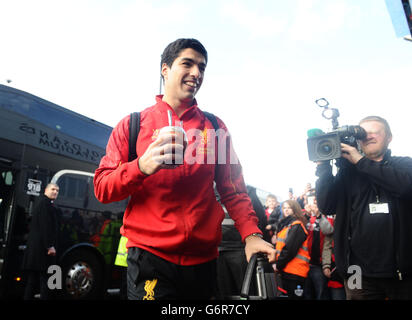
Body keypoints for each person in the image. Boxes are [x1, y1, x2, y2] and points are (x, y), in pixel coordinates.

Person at [94, 38, 276, 300]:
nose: (196, 73)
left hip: (203, 263)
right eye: (187, 64)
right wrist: (141, 166)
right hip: (149, 259)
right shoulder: (133, 124)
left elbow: (233, 190)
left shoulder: (215, 127)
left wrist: (252, 235)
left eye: (202, 67)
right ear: (165, 69)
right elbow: (102, 188)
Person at [315, 115, 412, 300]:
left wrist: (361, 162)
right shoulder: (349, 173)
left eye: (375, 132)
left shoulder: (404, 165)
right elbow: (327, 205)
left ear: (389, 137)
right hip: (356, 272)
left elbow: (405, 187)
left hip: (403, 273)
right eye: (363, 133)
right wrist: (324, 167)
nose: (368, 137)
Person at [22, 183, 59, 300]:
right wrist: (49, 246)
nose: (55, 192)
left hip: (35, 249)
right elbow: (45, 226)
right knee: (45, 282)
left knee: (32, 281)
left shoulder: (41, 202)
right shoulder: (45, 204)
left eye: (57, 190)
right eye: (53, 189)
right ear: (46, 190)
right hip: (41, 250)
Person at [272, 200, 310, 300]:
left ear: (295, 209)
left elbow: (289, 249)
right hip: (288, 271)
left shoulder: (296, 225)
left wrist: (278, 265)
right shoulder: (287, 225)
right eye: (284, 208)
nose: (286, 210)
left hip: (295, 272)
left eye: (289, 207)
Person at [303, 197, 333, 300]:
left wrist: (326, 265)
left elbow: (328, 231)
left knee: (321, 294)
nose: (313, 207)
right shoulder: (304, 217)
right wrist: (306, 214)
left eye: (316, 204)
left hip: (318, 265)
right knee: (306, 294)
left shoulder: (326, 219)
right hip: (304, 263)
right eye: (312, 204)